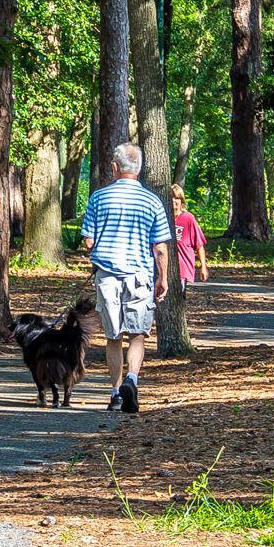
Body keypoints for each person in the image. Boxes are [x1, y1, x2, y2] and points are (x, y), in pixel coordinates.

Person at [79, 142, 171, 414]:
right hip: (139, 275)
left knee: (114, 336)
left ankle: (116, 392)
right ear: (139, 168)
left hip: (108, 276)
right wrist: (162, 279)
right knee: (138, 334)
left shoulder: (99, 197)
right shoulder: (153, 201)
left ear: (115, 167)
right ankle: (132, 379)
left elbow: (88, 241)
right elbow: (160, 247)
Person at [171, 186, 209, 286]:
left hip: (183, 269)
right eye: (172, 197)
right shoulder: (164, 218)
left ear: (182, 201)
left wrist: (203, 266)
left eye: (177, 198)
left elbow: (199, 245)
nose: (174, 200)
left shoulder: (188, 218)